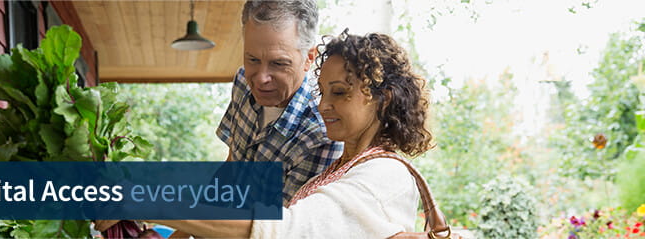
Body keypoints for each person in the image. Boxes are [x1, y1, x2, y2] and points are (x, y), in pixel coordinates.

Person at [97, 31, 436, 239]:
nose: (323, 106)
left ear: (383, 98)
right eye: (322, 92)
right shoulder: (344, 166)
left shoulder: (383, 175)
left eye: (340, 93)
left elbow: (280, 230)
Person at [218, 0, 343, 205]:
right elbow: (231, 165)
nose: (260, 79)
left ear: (309, 58)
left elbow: (281, 228)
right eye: (252, 60)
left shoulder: (322, 134)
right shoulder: (243, 81)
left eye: (278, 63)